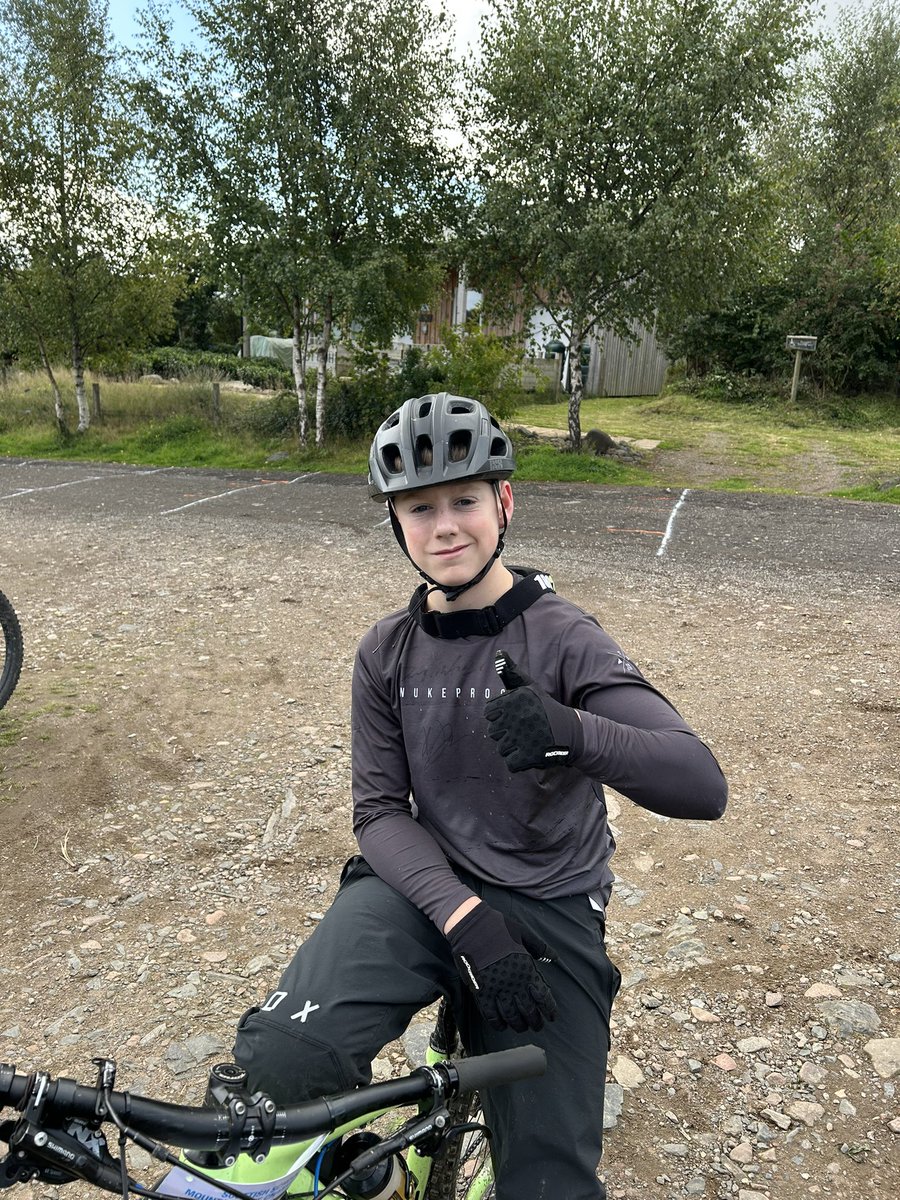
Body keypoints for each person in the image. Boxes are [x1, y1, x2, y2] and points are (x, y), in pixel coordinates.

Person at [230, 393, 728, 1199]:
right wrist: (466, 920)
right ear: (396, 522)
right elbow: (378, 813)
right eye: (420, 509)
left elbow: (701, 783)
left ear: (504, 502)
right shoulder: (386, 650)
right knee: (278, 1070)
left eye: (464, 500)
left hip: (547, 898)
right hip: (422, 886)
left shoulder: (564, 636)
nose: (445, 527)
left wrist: (572, 730)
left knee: (548, 1185)